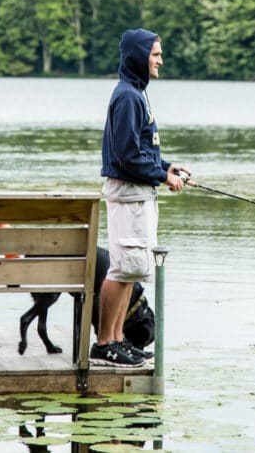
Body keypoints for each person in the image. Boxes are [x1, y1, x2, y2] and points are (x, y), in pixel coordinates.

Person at [93, 28, 189, 367]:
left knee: (131, 270)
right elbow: (126, 156)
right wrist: (163, 176)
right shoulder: (128, 96)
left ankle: (119, 339)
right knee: (121, 269)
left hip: (139, 194)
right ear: (138, 56)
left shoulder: (135, 93)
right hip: (129, 195)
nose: (160, 60)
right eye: (155, 54)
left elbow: (141, 149)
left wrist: (165, 165)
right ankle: (105, 342)